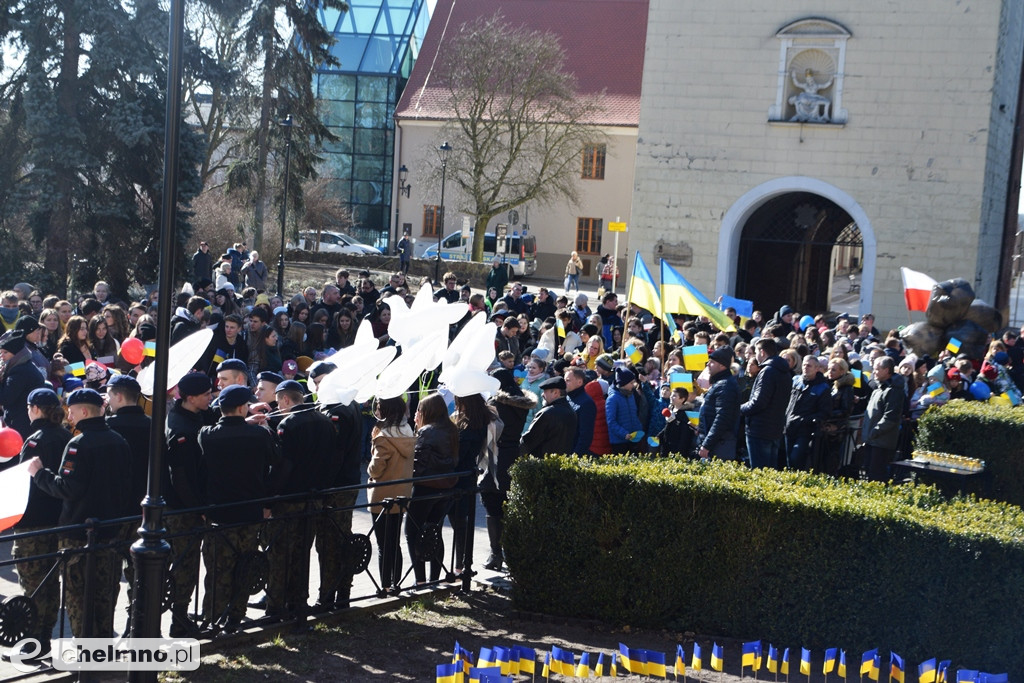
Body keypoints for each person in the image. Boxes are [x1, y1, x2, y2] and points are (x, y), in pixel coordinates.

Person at [27, 388, 132, 638]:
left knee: (78, 598)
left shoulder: (79, 444)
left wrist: (39, 474)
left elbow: (68, 488)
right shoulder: (118, 440)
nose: (69, 417)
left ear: (84, 411)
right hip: (110, 529)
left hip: (79, 533)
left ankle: (87, 652)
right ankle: (102, 648)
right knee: (105, 594)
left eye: (72, 411)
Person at [198, 385, 277, 631]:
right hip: (250, 511)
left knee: (217, 570)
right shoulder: (260, 435)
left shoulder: (207, 435)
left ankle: (213, 618)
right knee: (245, 566)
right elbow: (273, 465)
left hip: (219, 513)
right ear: (243, 408)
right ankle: (235, 616)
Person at [266, 379, 336, 618]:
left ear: (286, 399)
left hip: (290, 499)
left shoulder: (289, 424)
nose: (278, 408)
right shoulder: (325, 421)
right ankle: (298, 603)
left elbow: (284, 466)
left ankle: (275, 608)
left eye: (279, 403)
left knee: (280, 555)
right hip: (315, 496)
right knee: (302, 553)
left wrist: (271, 497)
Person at [11, 388, 71, 661]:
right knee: (50, 582)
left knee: (33, 583)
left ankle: (34, 642)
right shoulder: (66, 436)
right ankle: (44, 635)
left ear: (35, 408)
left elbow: (25, 482)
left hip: (33, 523)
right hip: (58, 520)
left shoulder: (36, 440)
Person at [164, 372, 215, 636]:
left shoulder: (194, 415)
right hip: (182, 509)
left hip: (189, 505)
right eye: (206, 394)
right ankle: (179, 620)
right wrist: (198, 508)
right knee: (185, 565)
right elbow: (181, 478)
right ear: (191, 398)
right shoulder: (181, 430)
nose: (211, 397)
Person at [405, 394, 459, 585]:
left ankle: (420, 580)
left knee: (412, 531)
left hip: (425, 487)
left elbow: (419, 462)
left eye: (419, 410)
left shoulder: (427, 431)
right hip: (446, 486)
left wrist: (410, 480)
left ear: (427, 412)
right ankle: (434, 578)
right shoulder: (452, 429)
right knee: (435, 531)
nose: (417, 413)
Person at [367, 396, 416, 594]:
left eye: (379, 408)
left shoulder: (383, 437)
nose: (377, 411)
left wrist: (373, 448)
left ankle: (385, 586)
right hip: (402, 492)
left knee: (383, 545)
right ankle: (397, 583)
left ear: (385, 410)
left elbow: (375, 469)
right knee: (395, 542)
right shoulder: (408, 431)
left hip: (382, 495)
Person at [448, 393, 496, 579]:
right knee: (460, 522)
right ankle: (462, 564)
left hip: (459, 478)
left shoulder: (470, 427)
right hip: (467, 475)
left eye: (458, 401)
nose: (456, 405)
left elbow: (459, 456)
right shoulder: (480, 420)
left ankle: (461, 566)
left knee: (459, 522)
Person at [740, 338, 791, 469]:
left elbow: (758, 402)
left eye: (756, 352)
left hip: (760, 429)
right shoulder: (784, 372)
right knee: (769, 471)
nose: (755, 356)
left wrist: (739, 409)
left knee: (759, 471)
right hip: (775, 429)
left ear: (762, 352)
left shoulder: (767, 371)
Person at [862, 356, 907, 481]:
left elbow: (890, 417)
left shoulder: (893, 391)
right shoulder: (879, 388)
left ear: (886, 370)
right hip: (873, 439)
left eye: (877, 369)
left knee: (876, 476)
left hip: (881, 441)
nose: (873, 372)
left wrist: (874, 432)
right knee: (868, 473)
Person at [784, 354, 831, 470]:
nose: (805, 368)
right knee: (788, 460)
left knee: (796, 458)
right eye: (804, 365)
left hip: (805, 430)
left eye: (809, 366)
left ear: (817, 368)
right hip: (789, 426)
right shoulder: (795, 381)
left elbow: (824, 412)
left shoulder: (823, 388)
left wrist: (804, 420)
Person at [697, 347, 741, 460]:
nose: (708, 364)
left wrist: (707, 444)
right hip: (715, 441)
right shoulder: (720, 383)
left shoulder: (725, 385)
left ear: (722, 366)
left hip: (720, 444)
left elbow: (722, 418)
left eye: (712, 362)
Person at [0, 333, 46, 441]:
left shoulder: (19, 371)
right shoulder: (24, 366)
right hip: (28, 421)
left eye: (5, 352)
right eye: (0, 352)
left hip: (22, 424)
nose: (2, 356)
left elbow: (5, 398)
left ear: (16, 354)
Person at [520, 376, 577, 457]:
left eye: (545, 391)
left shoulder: (547, 413)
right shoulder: (571, 411)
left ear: (555, 393)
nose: (542, 394)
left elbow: (528, 441)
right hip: (561, 461)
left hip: (541, 461)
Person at [564, 366, 596, 456]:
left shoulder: (587, 403)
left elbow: (585, 435)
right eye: (564, 380)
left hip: (573, 453)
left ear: (579, 382)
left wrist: (575, 456)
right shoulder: (567, 397)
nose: (564, 383)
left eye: (568, 380)